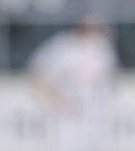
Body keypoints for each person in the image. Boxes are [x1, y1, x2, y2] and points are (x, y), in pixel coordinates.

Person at [25, 15, 118, 151]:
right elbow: (35, 72)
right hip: (71, 113)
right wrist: (55, 99)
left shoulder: (102, 47)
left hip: (95, 113)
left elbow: (110, 78)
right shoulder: (64, 46)